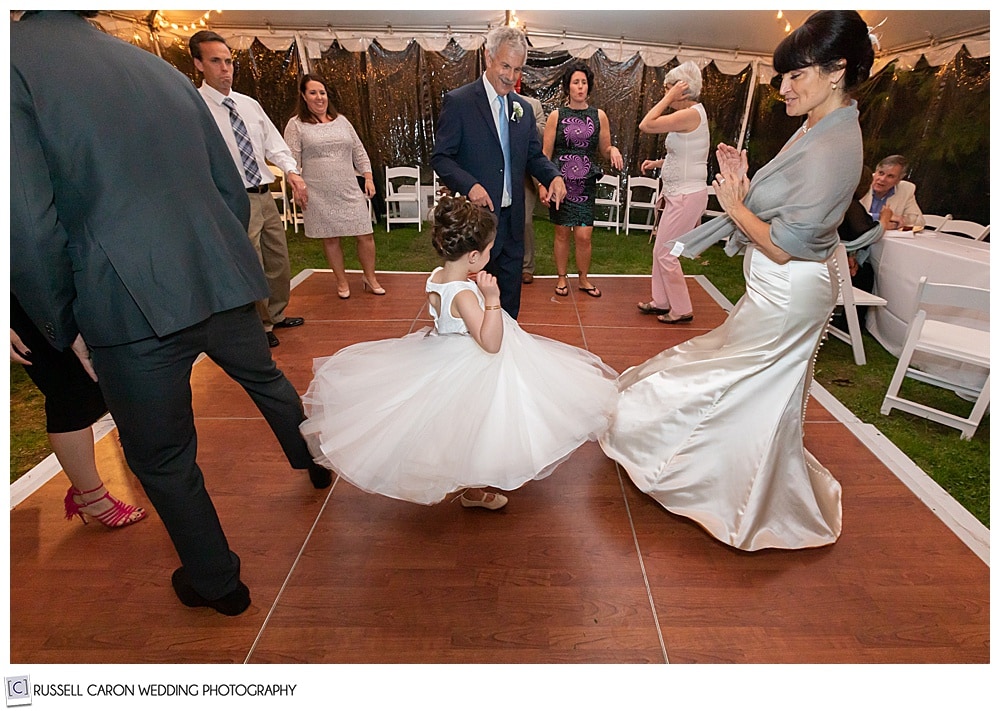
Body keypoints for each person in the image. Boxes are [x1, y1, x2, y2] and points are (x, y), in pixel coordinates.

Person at [11, 11, 333, 616]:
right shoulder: (154, 68)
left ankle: (217, 582)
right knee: (264, 378)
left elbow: (27, 223)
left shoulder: (16, 64)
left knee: (161, 457)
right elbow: (228, 187)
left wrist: (63, 320)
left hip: (124, 298)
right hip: (218, 276)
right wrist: (217, 257)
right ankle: (313, 460)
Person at [599, 10, 874, 551]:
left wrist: (731, 203)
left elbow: (782, 244)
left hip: (789, 291)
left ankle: (724, 484)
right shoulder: (821, 125)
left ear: (836, 70)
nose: (784, 87)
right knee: (751, 388)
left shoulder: (835, 148)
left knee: (727, 376)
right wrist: (747, 187)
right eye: (783, 76)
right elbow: (788, 215)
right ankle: (737, 477)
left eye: (796, 75)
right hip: (778, 289)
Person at [300, 196, 618, 510]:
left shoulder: (437, 278)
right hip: (472, 364)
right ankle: (474, 488)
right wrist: (491, 298)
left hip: (443, 352)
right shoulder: (464, 293)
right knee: (483, 426)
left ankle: (471, 489)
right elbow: (490, 342)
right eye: (489, 250)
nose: (491, 255)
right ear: (473, 256)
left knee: (458, 429)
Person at [432, 25, 566, 318]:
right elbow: (441, 157)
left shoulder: (523, 109)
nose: (511, 76)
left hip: (513, 222)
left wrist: (553, 176)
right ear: (488, 56)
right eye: (505, 65)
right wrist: (471, 186)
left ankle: (505, 352)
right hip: (475, 225)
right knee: (473, 304)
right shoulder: (460, 102)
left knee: (509, 303)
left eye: (518, 69)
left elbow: (533, 155)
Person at [189, 30, 306, 348]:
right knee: (250, 263)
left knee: (278, 259)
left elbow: (274, 144)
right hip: (233, 199)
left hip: (264, 194)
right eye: (216, 61)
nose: (225, 68)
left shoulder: (248, 105)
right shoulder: (195, 109)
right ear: (198, 64)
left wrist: (293, 173)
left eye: (228, 61)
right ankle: (262, 325)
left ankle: (278, 314)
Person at [11, 294, 146, 529]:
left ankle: (93, 489)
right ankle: (91, 497)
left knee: (97, 377)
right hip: (22, 302)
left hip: (55, 289)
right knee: (68, 393)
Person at [283, 74, 384, 299]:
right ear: (303, 96)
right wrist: (297, 187)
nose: (319, 97)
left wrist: (367, 176)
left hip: (348, 189)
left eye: (322, 92)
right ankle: (341, 281)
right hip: (318, 192)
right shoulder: (296, 125)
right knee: (330, 238)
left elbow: (358, 150)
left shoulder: (342, 121)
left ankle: (370, 277)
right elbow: (291, 160)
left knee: (365, 233)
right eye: (313, 92)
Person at [634, 61, 710, 324]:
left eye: (668, 88)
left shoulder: (690, 114)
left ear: (682, 90)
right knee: (661, 250)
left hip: (687, 197)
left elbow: (646, 124)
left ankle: (681, 308)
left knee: (668, 253)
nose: (664, 93)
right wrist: (657, 164)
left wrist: (668, 98)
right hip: (680, 195)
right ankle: (662, 301)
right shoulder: (690, 116)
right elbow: (686, 155)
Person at [542, 62, 624, 299]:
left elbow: (606, 148)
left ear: (589, 86)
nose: (580, 87)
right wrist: (542, 184)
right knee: (562, 233)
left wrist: (614, 150)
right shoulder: (556, 116)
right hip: (560, 183)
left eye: (584, 82)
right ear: (568, 87)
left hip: (585, 182)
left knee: (584, 235)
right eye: (575, 82)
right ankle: (561, 277)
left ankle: (583, 278)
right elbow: (545, 155)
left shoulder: (599, 116)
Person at [831, 165, 895, 331]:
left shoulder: (836, 201)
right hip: (831, 262)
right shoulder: (851, 205)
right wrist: (884, 220)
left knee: (861, 267)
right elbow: (865, 236)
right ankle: (852, 325)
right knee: (867, 272)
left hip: (832, 258)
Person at [519, 90, 547, 285]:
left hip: (526, 173)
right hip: (498, 171)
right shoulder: (490, 101)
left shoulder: (532, 104)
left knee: (525, 221)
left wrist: (523, 121)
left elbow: (544, 131)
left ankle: (527, 266)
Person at [859, 154, 922, 228]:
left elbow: (919, 220)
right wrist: (882, 218)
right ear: (875, 171)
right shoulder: (862, 182)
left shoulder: (906, 189)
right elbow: (851, 215)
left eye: (890, 176)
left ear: (899, 179)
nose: (882, 179)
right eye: (881, 173)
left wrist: (895, 224)